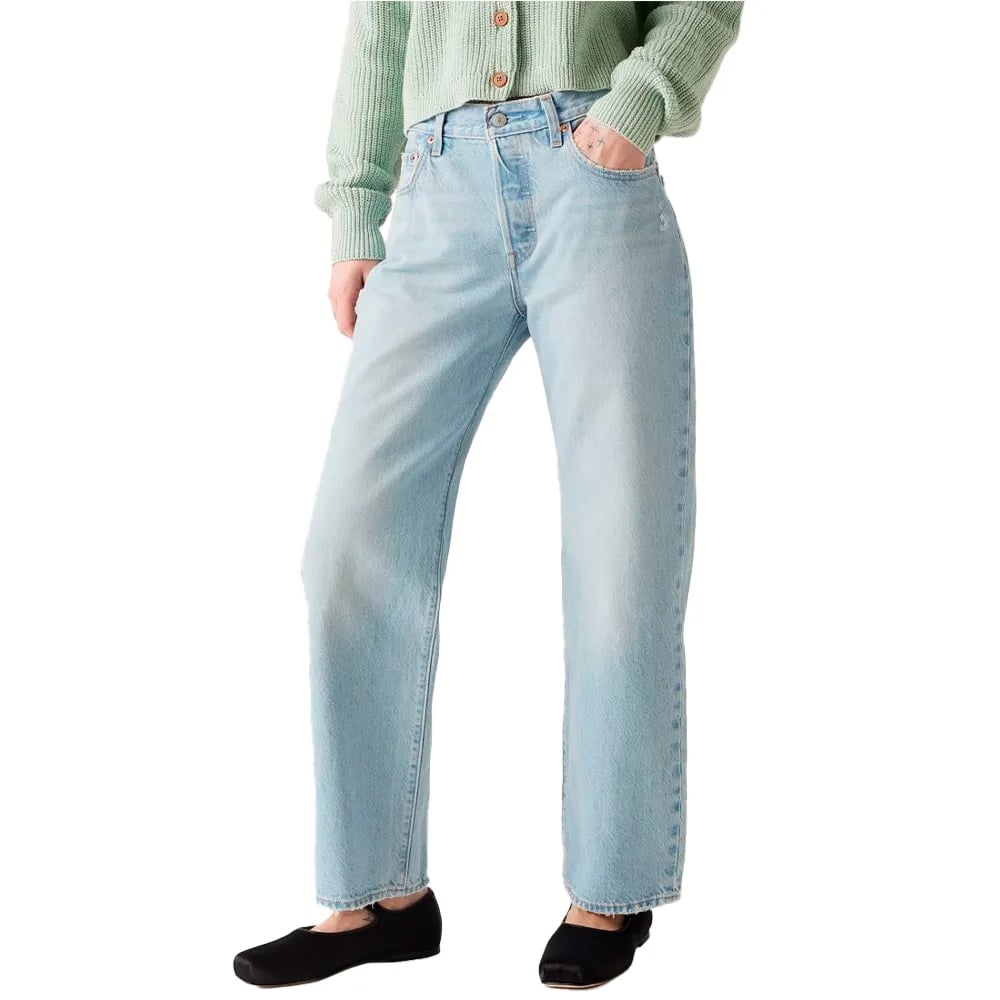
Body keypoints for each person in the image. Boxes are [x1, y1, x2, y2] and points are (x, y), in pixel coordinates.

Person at [234, 1, 742, 989]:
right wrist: (356, 206)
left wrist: (636, 105)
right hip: (436, 189)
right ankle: (380, 896)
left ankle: (611, 887)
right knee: (348, 548)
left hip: (594, 173)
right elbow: (382, 25)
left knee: (621, 547)